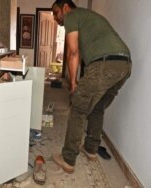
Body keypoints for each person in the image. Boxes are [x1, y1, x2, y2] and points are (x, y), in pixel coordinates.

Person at [51, 0, 132, 173]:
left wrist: (73, 84)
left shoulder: (72, 15)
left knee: (78, 108)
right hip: (124, 64)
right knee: (97, 108)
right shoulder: (89, 18)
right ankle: (91, 149)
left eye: (56, 13)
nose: (57, 19)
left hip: (104, 65)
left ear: (65, 7)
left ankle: (68, 159)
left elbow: (73, 52)